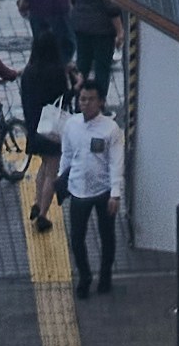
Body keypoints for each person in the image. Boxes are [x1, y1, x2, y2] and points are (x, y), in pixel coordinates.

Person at [45, 85, 129, 297]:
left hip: (103, 192)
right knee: (76, 238)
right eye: (82, 99)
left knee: (107, 236)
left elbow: (116, 163)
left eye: (90, 99)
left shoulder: (110, 129)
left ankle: (105, 276)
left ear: (100, 102)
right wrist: (61, 178)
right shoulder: (71, 125)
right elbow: (66, 153)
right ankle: (84, 276)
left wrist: (115, 194)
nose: (85, 103)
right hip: (77, 189)